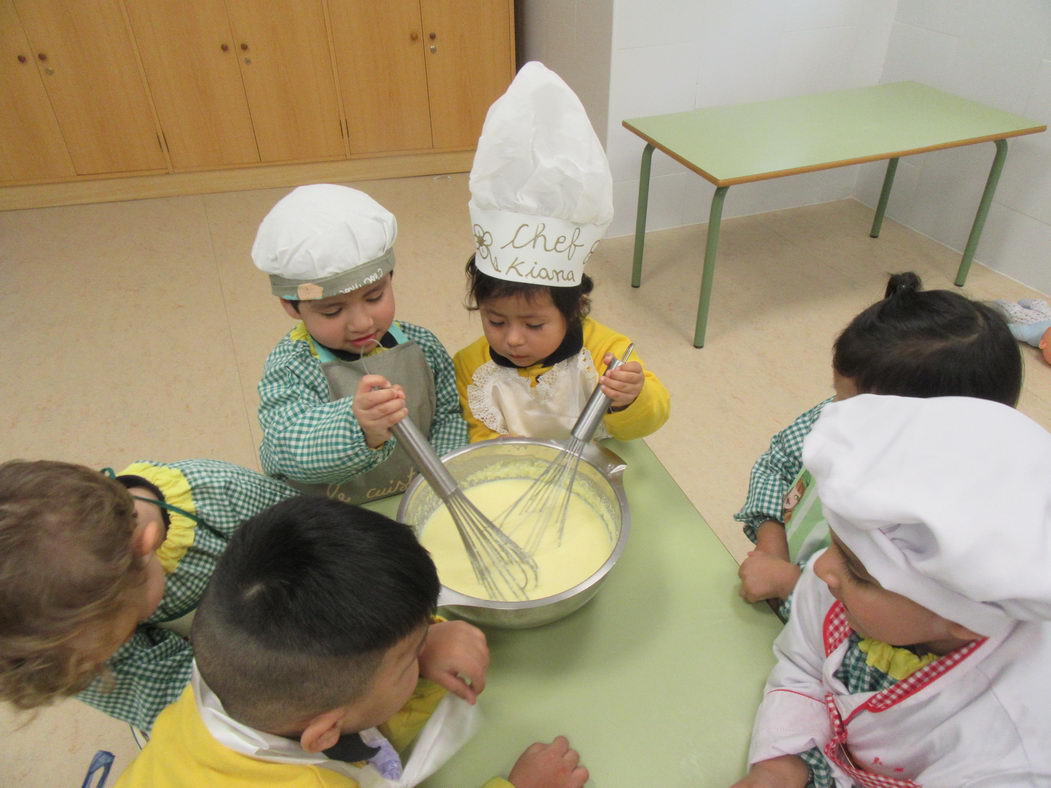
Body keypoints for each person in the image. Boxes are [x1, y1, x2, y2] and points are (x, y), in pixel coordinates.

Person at [116, 497, 589, 788]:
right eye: (407, 658)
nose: (428, 642)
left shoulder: (229, 672)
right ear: (324, 736)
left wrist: (415, 651)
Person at [733, 394, 1051, 787]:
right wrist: (780, 765)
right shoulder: (844, 589)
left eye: (860, 572)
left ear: (963, 621)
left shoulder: (1011, 749)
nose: (821, 567)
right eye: (838, 546)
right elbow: (804, 665)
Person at [735, 272, 1021, 613]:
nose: (835, 415)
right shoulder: (841, 415)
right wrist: (772, 547)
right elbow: (778, 460)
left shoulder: (935, 525)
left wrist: (791, 585)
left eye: (852, 406)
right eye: (838, 397)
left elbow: (897, 620)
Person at [455, 62, 670, 443]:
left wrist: (630, 399)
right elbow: (479, 437)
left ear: (575, 308)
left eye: (534, 325)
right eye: (496, 321)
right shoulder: (472, 365)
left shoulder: (607, 353)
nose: (513, 340)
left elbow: (643, 426)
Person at [0, 458, 296, 732]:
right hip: (238, 669)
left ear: (146, 544)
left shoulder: (221, 494)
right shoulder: (66, 645)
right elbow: (158, 696)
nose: (125, 644)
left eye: (130, 627)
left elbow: (312, 536)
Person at [254, 184, 468, 502]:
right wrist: (357, 426)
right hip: (335, 515)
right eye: (333, 310)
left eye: (374, 297)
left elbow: (448, 415)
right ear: (292, 307)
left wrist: (437, 478)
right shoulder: (292, 366)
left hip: (416, 495)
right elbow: (284, 447)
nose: (362, 323)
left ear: (390, 279)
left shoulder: (422, 345)